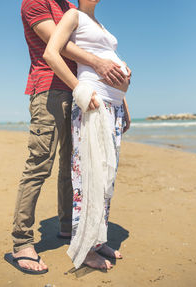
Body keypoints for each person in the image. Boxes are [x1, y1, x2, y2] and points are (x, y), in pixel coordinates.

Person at [4, 0, 129, 275]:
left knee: (72, 170)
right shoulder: (35, 2)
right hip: (49, 91)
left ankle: (67, 227)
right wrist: (99, 63)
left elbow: (94, 45)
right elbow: (58, 46)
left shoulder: (69, 5)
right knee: (39, 166)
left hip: (77, 97)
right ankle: (21, 242)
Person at [43, 0, 131, 270]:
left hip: (113, 106)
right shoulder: (73, 15)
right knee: (88, 176)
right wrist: (81, 91)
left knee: (106, 176)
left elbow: (110, 62)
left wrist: (125, 106)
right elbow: (51, 53)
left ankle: (97, 238)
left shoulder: (100, 24)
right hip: (93, 102)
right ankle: (84, 250)